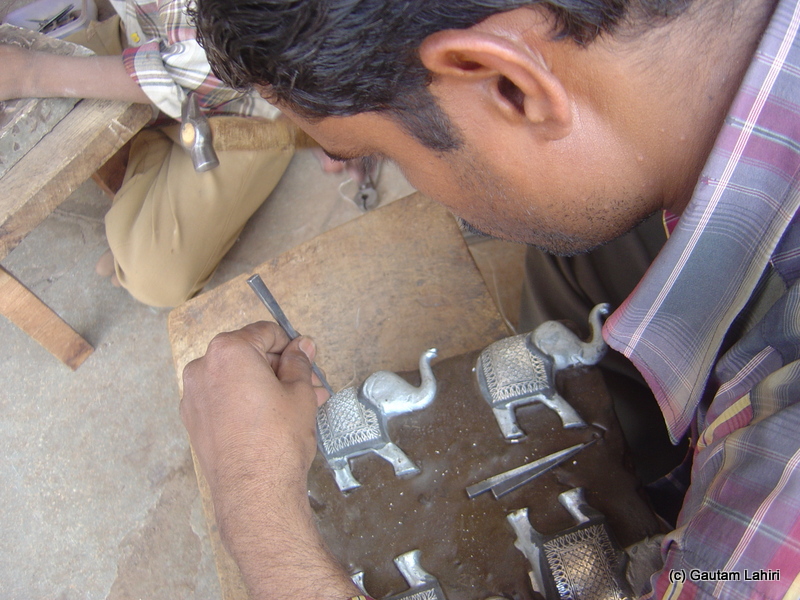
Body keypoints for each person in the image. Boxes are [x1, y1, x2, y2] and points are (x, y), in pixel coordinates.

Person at [178, 0, 800, 598]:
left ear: (509, 86)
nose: (415, 186)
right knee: (568, 244)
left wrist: (252, 504)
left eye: (380, 154)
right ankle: (634, 467)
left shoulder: (768, 543)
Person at [0, 0, 293, 307]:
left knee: (156, 278)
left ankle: (142, 191)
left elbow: (208, 70)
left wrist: (30, 73)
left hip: (232, 109)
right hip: (142, 40)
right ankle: (137, 209)